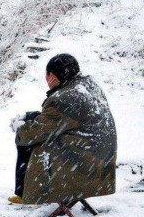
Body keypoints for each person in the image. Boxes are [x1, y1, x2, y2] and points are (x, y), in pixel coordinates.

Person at [8, 54, 117, 205]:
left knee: (28, 141)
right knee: (32, 124)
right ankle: (23, 191)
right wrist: (30, 117)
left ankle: (24, 193)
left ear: (51, 75)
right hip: (100, 160)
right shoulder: (87, 87)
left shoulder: (65, 98)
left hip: (84, 166)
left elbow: (34, 134)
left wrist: (19, 129)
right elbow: (61, 119)